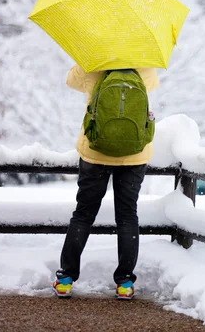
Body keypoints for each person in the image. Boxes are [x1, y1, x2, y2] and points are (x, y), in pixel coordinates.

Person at [52, 64, 159, 300]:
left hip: (95, 152)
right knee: (127, 216)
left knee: (83, 214)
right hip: (134, 154)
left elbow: (71, 80)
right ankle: (124, 283)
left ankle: (66, 278)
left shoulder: (94, 62)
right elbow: (152, 85)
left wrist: (84, 60)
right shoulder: (143, 64)